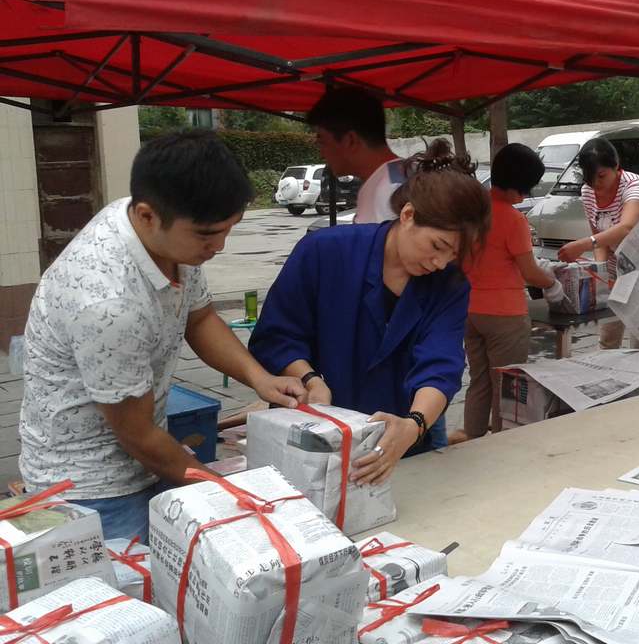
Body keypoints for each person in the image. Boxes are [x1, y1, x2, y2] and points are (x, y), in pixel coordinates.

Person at [18, 132, 308, 541]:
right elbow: (137, 434)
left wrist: (260, 379)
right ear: (147, 215)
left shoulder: (163, 233)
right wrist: (224, 491)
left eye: (229, 229)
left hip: (143, 454)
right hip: (91, 488)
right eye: (207, 234)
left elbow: (199, 318)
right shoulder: (107, 301)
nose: (219, 246)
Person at [249, 139, 490, 484]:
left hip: (393, 447)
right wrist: (310, 380)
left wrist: (414, 424)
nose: (440, 263)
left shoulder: (448, 285)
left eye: (452, 256)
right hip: (311, 439)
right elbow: (277, 335)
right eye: (438, 246)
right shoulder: (324, 252)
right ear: (408, 215)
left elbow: (441, 366)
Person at [453, 144, 563, 443]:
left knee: (479, 381)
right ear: (517, 186)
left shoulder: (470, 212)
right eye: (526, 189)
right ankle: (501, 445)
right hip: (505, 315)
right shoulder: (513, 219)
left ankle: (473, 438)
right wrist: (552, 284)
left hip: (469, 310)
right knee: (506, 386)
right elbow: (529, 272)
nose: (526, 195)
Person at [557, 138, 639, 349]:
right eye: (590, 177)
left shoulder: (634, 186)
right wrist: (601, 273)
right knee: (608, 336)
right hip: (615, 269)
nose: (596, 183)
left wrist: (582, 245)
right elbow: (599, 239)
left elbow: (626, 227)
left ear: (616, 166)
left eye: (601, 176)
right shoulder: (587, 192)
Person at [307, 85, 406, 223]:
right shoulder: (388, 180)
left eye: (323, 143)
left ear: (350, 140)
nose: (322, 155)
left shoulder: (392, 191)